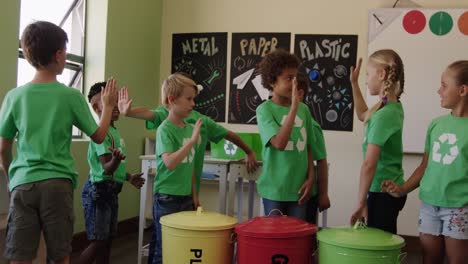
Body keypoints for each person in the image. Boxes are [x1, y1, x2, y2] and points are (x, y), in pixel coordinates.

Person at [0, 21, 117, 264]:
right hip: (57, 183)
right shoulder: (70, 96)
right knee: (60, 254)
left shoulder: (14, 97)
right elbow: (99, 136)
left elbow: (3, 148)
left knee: (19, 256)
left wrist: (13, 180)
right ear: (59, 54)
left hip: (23, 184)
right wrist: (107, 107)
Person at [382, 61, 468, 264]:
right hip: (429, 205)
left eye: (444, 85)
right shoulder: (436, 124)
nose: (439, 90)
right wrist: (402, 189)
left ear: (463, 90)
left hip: (459, 208)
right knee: (429, 258)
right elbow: (424, 166)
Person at [118, 76, 259, 196]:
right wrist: (129, 112)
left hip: (189, 192)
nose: (193, 103)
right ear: (172, 100)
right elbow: (149, 113)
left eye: (192, 98)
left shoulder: (202, 121)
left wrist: (249, 151)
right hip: (168, 191)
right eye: (189, 98)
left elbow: (230, 135)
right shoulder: (168, 115)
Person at [78, 82, 145, 264]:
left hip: (110, 191)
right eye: (109, 102)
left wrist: (129, 177)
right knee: (99, 241)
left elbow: (114, 170)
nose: (115, 106)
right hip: (98, 192)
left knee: (107, 240)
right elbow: (107, 167)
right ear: (96, 107)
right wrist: (115, 160)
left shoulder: (114, 131)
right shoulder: (101, 132)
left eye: (115, 101)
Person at [349, 49, 407, 234]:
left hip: (381, 193)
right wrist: (354, 83)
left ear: (381, 74)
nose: (366, 79)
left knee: (378, 249)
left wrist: (361, 202)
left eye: (367, 74)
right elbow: (362, 115)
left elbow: (369, 164)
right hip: (386, 190)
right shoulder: (390, 106)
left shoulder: (384, 115)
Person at [256, 49, 315, 220]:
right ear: (272, 81)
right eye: (289, 78)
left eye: (296, 77)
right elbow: (279, 143)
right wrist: (294, 108)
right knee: (276, 239)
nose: (295, 83)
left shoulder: (305, 110)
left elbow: (309, 146)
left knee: (296, 239)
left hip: (299, 190)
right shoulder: (264, 110)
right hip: (275, 191)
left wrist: (311, 177)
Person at [295, 73, 331, 224]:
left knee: (305, 233)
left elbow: (321, 161)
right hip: (289, 192)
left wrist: (323, 194)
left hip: (308, 194)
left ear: (300, 94)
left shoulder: (312, 126)